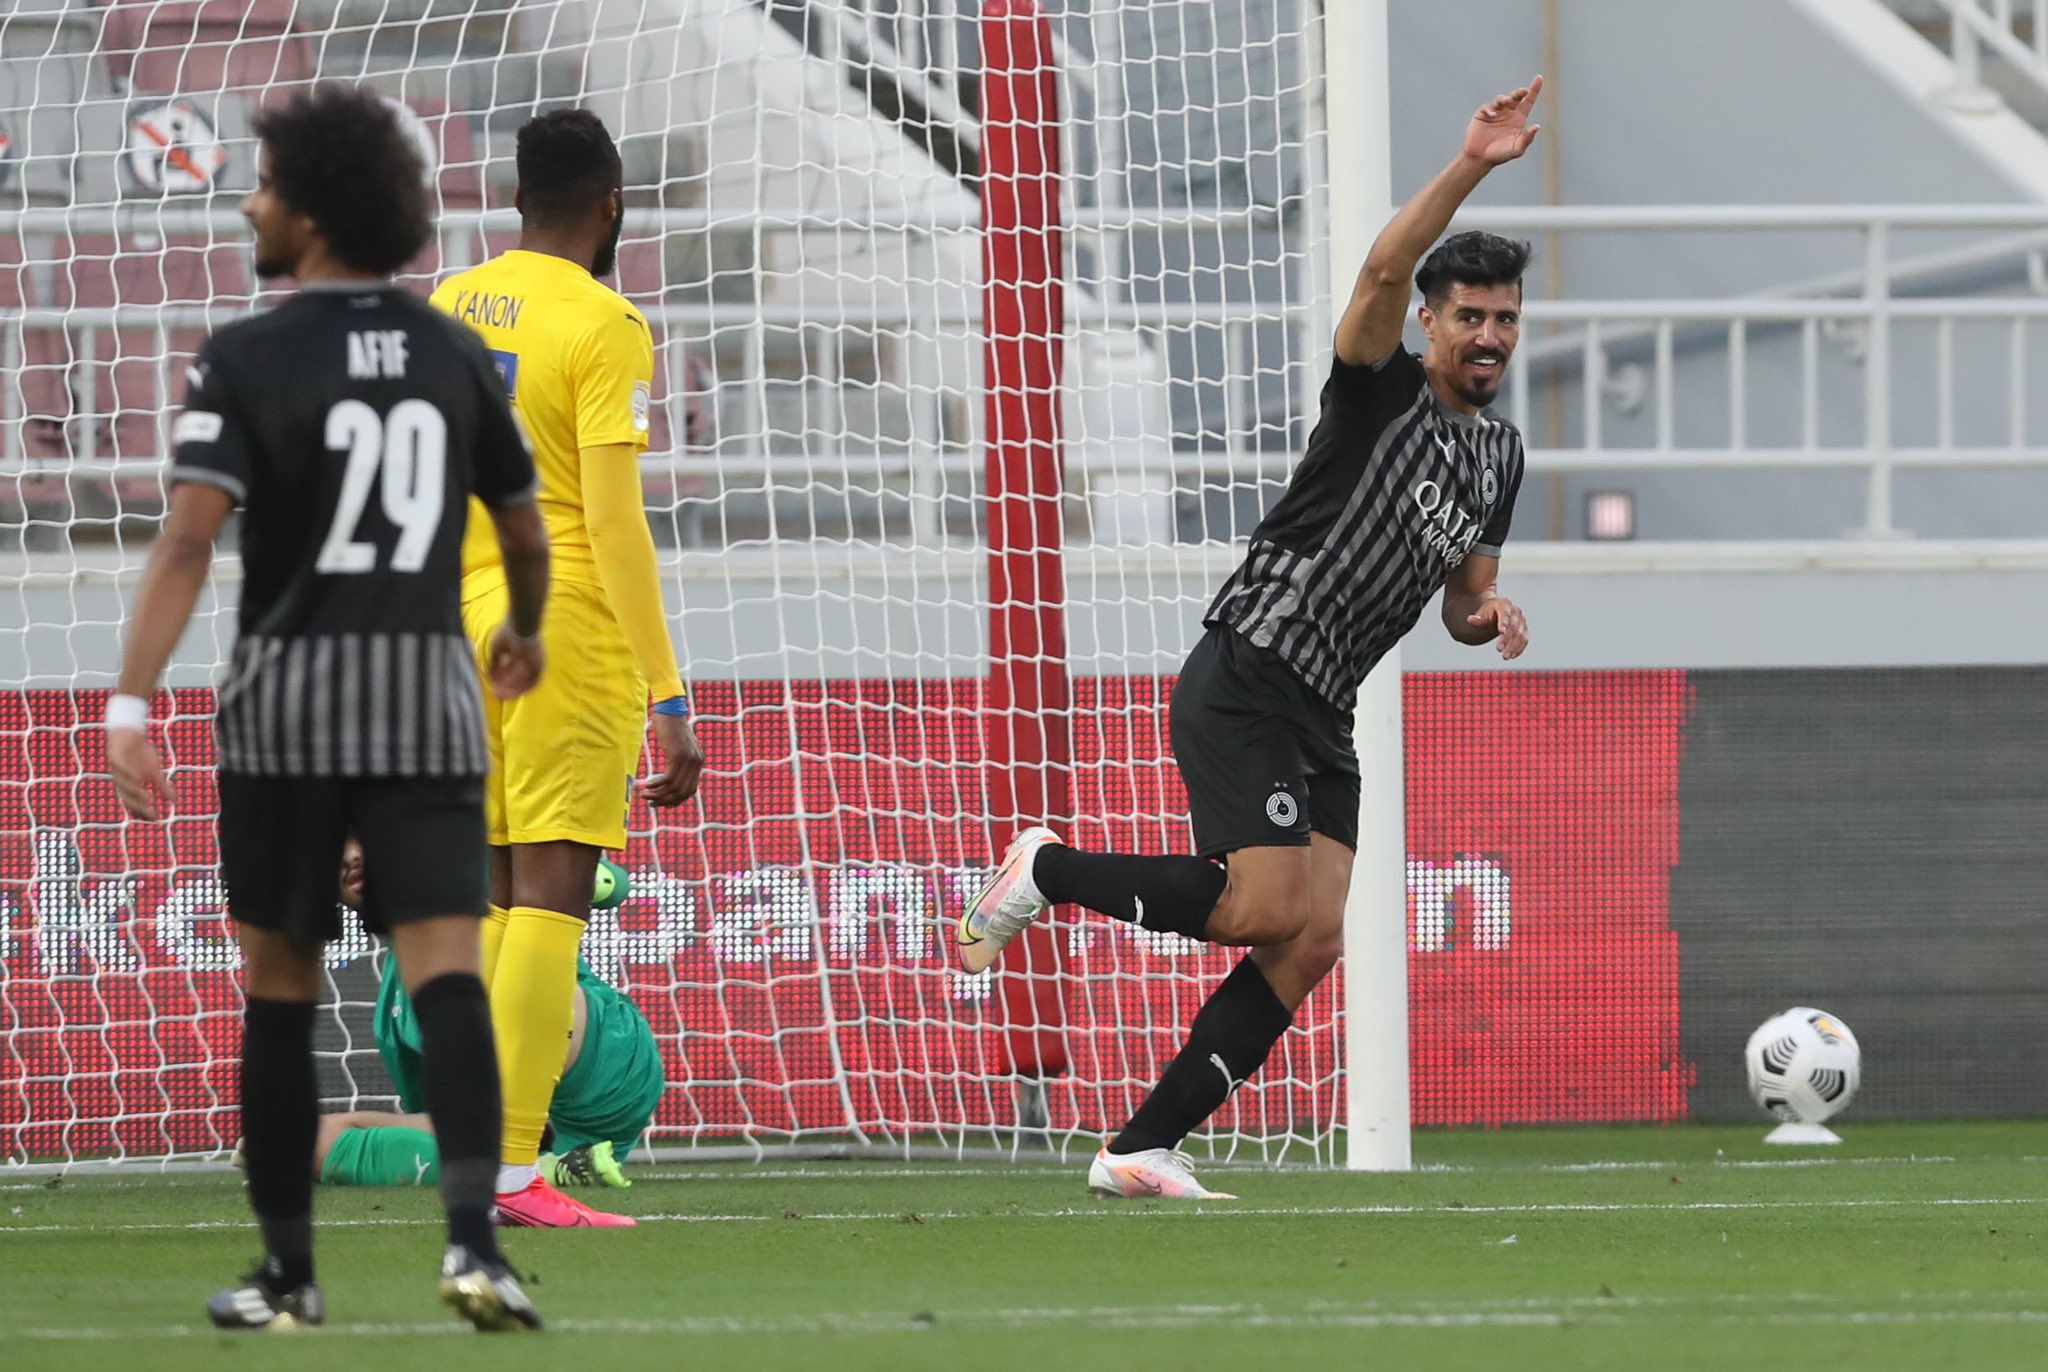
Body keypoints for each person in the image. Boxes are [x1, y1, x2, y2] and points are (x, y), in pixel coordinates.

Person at [959, 79, 1544, 1200]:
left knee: (1309, 939)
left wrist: (1489, 615)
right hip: (1254, 666)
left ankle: (1138, 1146)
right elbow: (1379, 270)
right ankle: (1045, 868)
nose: (1488, 335)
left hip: (1326, 710)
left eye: (1505, 318)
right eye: (1468, 315)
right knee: (1264, 906)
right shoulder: (1378, 391)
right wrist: (1471, 162)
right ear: (1429, 322)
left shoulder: (1500, 457)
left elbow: (1460, 601)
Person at [105, 85, 551, 1330]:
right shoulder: (452, 351)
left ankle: (289, 1275)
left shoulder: (245, 356)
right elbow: (522, 530)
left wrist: (130, 702)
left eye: (262, 186)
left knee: (281, 982)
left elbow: (188, 540)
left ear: (308, 212)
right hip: (426, 703)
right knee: (448, 971)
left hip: (285, 711)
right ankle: (475, 1249)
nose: (249, 204)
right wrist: (520, 629)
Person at [430, 108, 703, 1228]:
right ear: (611, 204)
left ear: (515, 199)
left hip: (461, 616)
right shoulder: (605, 321)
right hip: (562, 623)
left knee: (497, 891)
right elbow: (613, 521)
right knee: (550, 900)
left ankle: (479, 1154)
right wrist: (667, 693)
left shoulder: (450, 303)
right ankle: (508, 1171)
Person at [310, 842, 662, 1191]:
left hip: (600, 1067)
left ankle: (518, 1165)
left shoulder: (471, 871)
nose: (350, 855)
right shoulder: (391, 1021)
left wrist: (584, 880)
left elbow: (616, 886)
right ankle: (542, 1170)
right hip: (529, 1133)